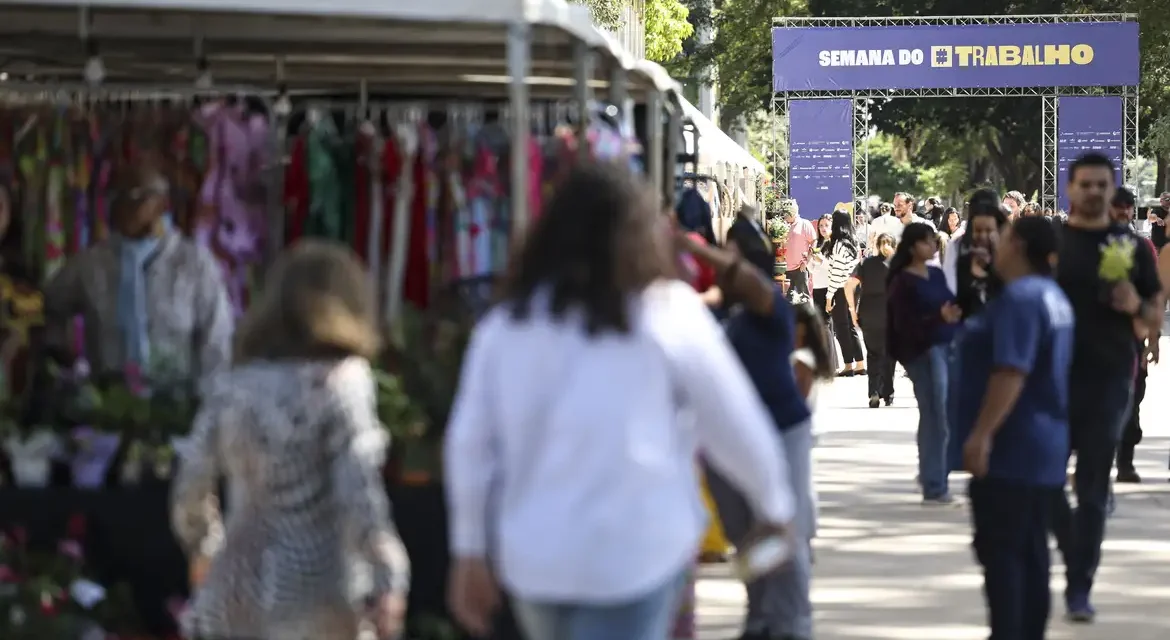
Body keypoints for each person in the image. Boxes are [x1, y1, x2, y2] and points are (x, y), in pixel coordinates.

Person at [443, 163, 796, 640]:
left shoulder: (506, 327)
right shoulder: (666, 313)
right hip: (637, 553)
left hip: (536, 561)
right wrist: (775, 504)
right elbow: (732, 421)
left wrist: (468, 548)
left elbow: (470, 445)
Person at [171, 240, 411, 640]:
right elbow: (357, 490)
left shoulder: (232, 387)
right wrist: (389, 573)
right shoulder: (342, 381)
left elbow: (191, 482)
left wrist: (204, 548)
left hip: (235, 590)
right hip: (319, 592)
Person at [689, 205, 815, 640]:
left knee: (784, 529)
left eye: (731, 255)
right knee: (746, 534)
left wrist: (692, 247)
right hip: (736, 439)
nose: (722, 264)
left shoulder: (771, 307)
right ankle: (762, 616)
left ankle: (791, 624)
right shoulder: (728, 313)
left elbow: (748, 282)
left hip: (783, 429)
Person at [1051, 153, 1162, 622]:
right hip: (1052, 379)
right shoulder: (1051, 245)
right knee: (1044, 481)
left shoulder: (1131, 247)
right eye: (1086, 184)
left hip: (1110, 378)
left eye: (1102, 185)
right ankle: (1074, 546)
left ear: (1112, 189)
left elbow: (1153, 315)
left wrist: (1136, 304)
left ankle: (1080, 584)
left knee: (1094, 484)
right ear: (1070, 189)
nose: (1095, 192)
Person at [954, 216, 1073, 640]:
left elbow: (1011, 371)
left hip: (1013, 447)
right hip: (1042, 447)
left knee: (1004, 556)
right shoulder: (1053, 296)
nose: (996, 246)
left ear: (1018, 245)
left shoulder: (1022, 298)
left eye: (1003, 239)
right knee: (1030, 553)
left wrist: (982, 433)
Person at [43, 163, 233, 384]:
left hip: (175, 396)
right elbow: (50, 305)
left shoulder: (194, 264)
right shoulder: (92, 263)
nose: (123, 206)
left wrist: (208, 393)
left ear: (162, 203)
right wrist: (67, 359)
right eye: (116, 197)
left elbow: (217, 339)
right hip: (107, 395)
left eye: (135, 197)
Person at [887, 222, 961, 504]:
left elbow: (950, 303)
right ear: (913, 246)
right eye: (926, 241)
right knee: (934, 415)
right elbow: (904, 323)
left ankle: (933, 476)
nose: (932, 246)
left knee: (939, 415)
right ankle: (934, 482)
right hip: (922, 352)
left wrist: (951, 317)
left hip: (944, 347)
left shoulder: (936, 274)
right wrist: (937, 318)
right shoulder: (902, 281)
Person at [1110, 186, 1157, 483]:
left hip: (1131, 339)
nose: (1124, 211)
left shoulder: (1142, 248)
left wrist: (1153, 339)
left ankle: (1125, 462)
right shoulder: (1088, 245)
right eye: (1118, 205)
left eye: (1128, 206)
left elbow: (1154, 297)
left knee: (1133, 400)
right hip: (1094, 342)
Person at [848, 233, 896, 408]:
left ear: (876, 246)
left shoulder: (865, 264)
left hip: (868, 313)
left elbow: (849, 285)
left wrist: (852, 309)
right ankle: (887, 392)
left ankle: (874, 392)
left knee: (873, 353)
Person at [944, 189, 1008, 320]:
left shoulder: (1010, 247)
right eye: (978, 230)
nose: (983, 236)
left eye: (989, 230)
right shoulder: (957, 247)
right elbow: (949, 290)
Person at [824, 210, 865, 377]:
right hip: (854, 287)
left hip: (841, 289)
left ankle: (848, 365)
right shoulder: (853, 242)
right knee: (851, 326)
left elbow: (836, 273)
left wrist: (829, 297)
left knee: (841, 327)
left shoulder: (839, 244)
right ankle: (860, 363)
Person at [782, 199, 817, 303]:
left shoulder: (804, 224)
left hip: (800, 268)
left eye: (787, 214)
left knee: (803, 299)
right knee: (788, 300)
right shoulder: (782, 226)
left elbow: (814, 242)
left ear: (793, 213)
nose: (785, 216)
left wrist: (806, 262)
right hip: (785, 268)